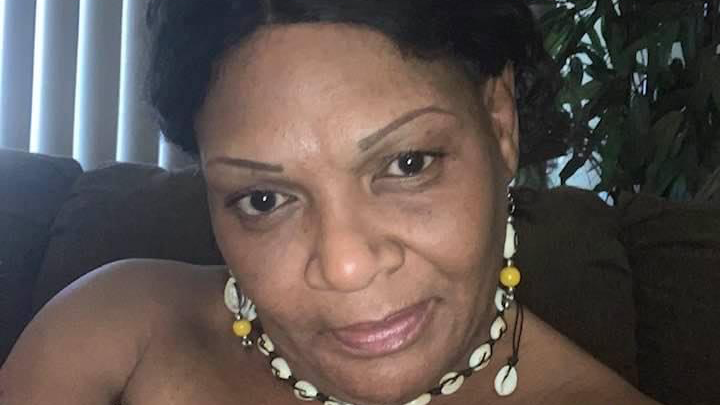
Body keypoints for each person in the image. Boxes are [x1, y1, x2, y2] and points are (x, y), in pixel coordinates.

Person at [1, 1, 660, 404]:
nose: (345, 266)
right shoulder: (114, 334)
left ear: (500, 123)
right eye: (264, 198)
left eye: (407, 164)